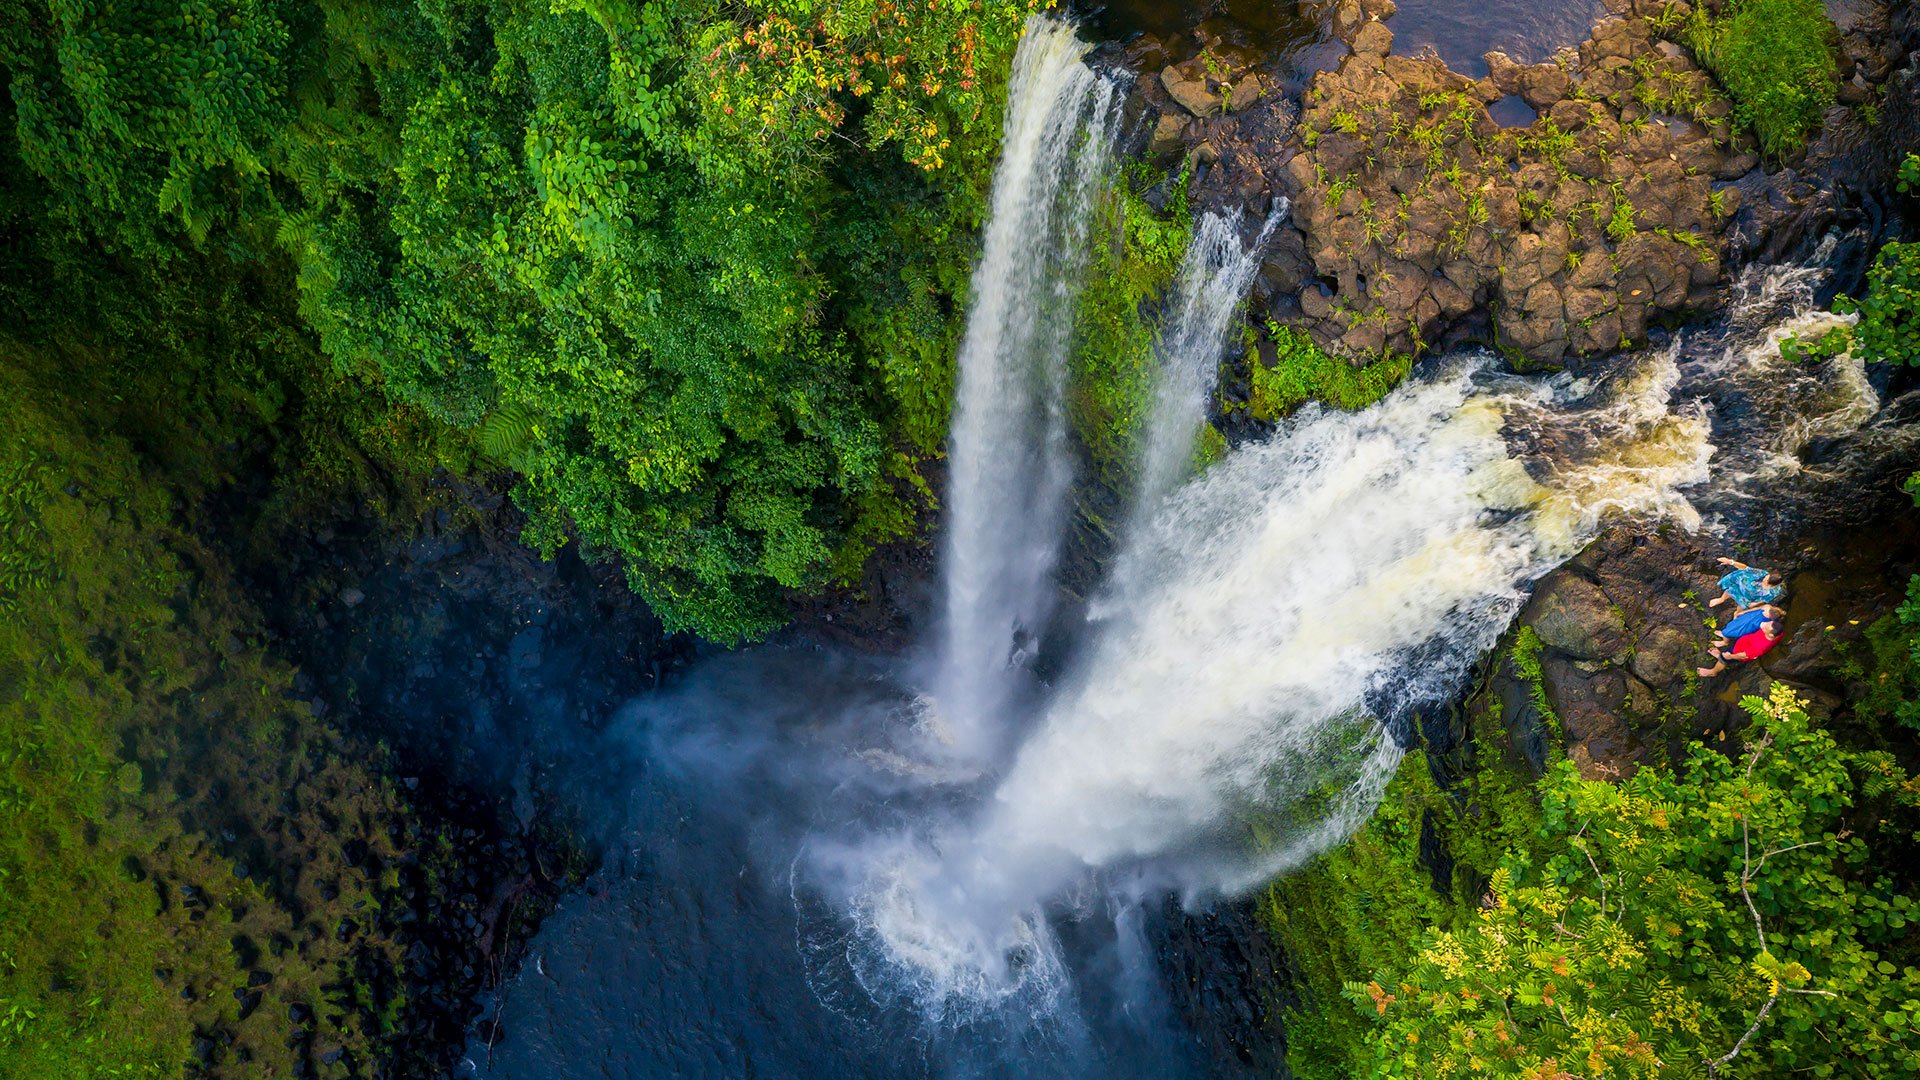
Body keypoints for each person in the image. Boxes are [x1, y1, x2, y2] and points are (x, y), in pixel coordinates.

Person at [1697, 613, 1783, 677]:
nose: (1763, 625)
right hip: (1744, 641)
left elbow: (1744, 655)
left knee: (1724, 659)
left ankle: (1713, 672)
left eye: (1765, 628)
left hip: (1739, 651)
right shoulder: (1779, 631)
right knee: (1726, 653)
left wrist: (1730, 656)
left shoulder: (1760, 647)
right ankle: (1720, 656)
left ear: (1771, 635)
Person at [1707, 556, 1784, 611]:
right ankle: (1721, 599)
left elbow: (1764, 600)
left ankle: (1737, 613)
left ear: (1772, 585)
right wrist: (1730, 562)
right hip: (1743, 584)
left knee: (1744, 604)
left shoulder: (1774, 591)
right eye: (1766, 577)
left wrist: (1755, 604)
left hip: (1750, 596)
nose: (1764, 579)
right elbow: (1746, 568)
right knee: (1733, 586)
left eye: (1766, 581)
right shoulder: (1764, 573)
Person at [1714, 604, 1783, 649]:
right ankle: (1724, 634)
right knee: (1731, 625)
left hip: (1747, 627)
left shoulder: (1767, 624)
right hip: (1747, 617)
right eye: (1767, 612)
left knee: (1728, 632)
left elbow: (1761, 629)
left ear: (1771, 619)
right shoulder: (1767, 607)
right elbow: (1756, 608)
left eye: (1767, 615)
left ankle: (1725, 642)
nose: (1766, 613)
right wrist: (1744, 612)